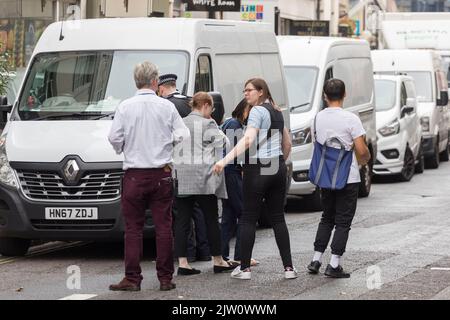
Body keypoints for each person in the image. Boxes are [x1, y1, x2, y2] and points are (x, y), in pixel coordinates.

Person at [108, 61, 190, 292]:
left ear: (136, 81)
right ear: (155, 82)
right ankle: (165, 278)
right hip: (161, 174)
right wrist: (166, 145)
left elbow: (114, 138)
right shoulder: (166, 107)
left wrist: (125, 148)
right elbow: (183, 134)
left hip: (134, 175)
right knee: (164, 226)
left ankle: (132, 278)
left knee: (133, 228)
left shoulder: (125, 107)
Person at [213, 78, 297, 281]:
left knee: (248, 218)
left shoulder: (257, 112)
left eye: (249, 90)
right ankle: (289, 268)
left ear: (261, 92)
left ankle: (244, 269)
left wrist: (224, 161)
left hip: (257, 168)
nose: (245, 94)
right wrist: (278, 162)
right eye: (244, 91)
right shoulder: (277, 111)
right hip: (277, 167)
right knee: (278, 218)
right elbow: (287, 144)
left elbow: (248, 139)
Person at [306, 78, 370, 278]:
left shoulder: (317, 118)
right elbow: (361, 150)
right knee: (343, 221)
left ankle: (316, 259)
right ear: (344, 95)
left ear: (325, 96)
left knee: (327, 217)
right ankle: (334, 264)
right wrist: (364, 159)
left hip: (325, 176)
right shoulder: (351, 119)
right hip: (347, 177)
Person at [173, 92, 235, 275]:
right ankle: (218, 260)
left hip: (182, 177)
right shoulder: (208, 123)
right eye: (211, 109)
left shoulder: (180, 123)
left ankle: (183, 263)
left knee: (182, 220)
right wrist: (216, 126)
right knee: (210, 219)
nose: (212, 112)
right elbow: (225, 143)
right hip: (204, 178)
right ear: (206, 105)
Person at [158, 73, 211, 263]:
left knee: (181, 214)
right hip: (198, 163)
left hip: (179, 164)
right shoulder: (189, 102)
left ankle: (186, 253)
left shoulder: (166, 106)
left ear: (162, 88)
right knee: (199, 211)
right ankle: (205, 251)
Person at [220, 99, 258, 267]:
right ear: (246, 110)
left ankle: (222, 256)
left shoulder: (229, 122)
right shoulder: (235, 125)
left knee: (228, 215)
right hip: (232, 172)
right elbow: (237, 152)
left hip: (226, 172)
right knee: (244, 213)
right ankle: (241, 256)